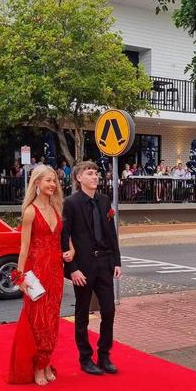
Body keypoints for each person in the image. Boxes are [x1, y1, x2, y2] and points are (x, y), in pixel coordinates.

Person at [7, 165, 74, 386]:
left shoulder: (56, 207)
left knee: (52, 320)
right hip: (36, 272)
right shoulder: (30, 211)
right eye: (48, 180)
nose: (52, 184)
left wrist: (71, 249)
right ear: (37, 183)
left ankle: (46, 363)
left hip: (55, 270)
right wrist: (20, 278)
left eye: (54, 181)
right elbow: (23, 248)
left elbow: (63, 237)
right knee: (37, 320)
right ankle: (36, 366)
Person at [62, 161, 122, 376]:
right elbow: (64, 237)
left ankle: (104, 355)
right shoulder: (70, 203)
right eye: (90, 173)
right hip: (83, 267)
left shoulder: (104, 200)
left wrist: (116, 261)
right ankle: (85, 358)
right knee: (82, 312)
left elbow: (111, 233)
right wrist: (73, 268)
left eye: (96, 173)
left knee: (109, 310)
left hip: (104, 262)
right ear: (79, 178)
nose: (95, 177)